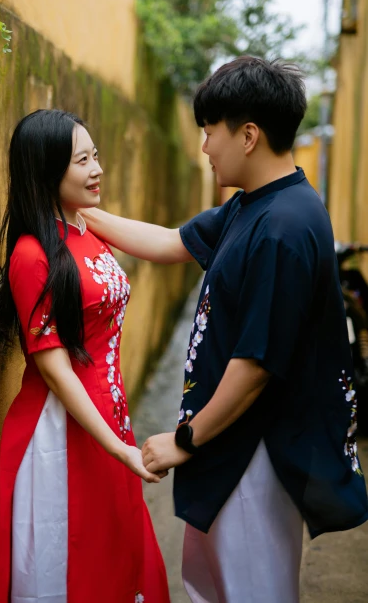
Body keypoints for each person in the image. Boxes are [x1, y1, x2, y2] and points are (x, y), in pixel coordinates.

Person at [81, 56, 368, 603]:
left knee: (250, 590)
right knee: (215, 587)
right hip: (233, 443)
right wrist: (77, 211)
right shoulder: (253, 206)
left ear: (249, 135)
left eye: (210, 132)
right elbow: (170, 241)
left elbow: (256, 366)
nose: (206, 147)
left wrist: (183, 442)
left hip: (254, 452)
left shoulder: (284, 227)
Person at [0, 109, 170, 603]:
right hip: (59, 435)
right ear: (47, 171)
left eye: (96, 155)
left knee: (116, 558)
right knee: (67, 571)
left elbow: (168, 243)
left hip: (108, 420)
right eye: (82, 160)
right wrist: (117, 447)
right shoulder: (31, 254)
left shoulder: (87, 226)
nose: (97, 169)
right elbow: (54, 367)